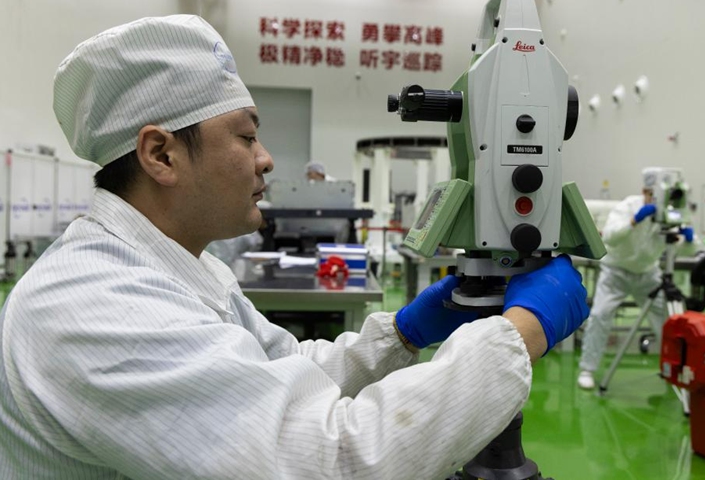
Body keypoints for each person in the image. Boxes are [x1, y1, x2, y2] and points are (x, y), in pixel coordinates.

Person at [0, 16, 589, 479]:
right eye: (247, 135)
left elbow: (286, 372)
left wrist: (404, 333)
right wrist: (520, 333)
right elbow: (329, 461)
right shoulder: (95, 309)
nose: (266, 159)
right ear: (161, 155)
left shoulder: (180, 268)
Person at [577, 168, 694, 390]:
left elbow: (686, 250)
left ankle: (676, 367)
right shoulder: (629, 206)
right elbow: (610, 237)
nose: (658, 200)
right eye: (653, 195)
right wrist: (634, 220)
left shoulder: (671, 213)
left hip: (648, 273)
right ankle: (587, 368)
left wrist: (688, 240)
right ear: (644, 192)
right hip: (616, 271)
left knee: (669, 320)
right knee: (600, 315)